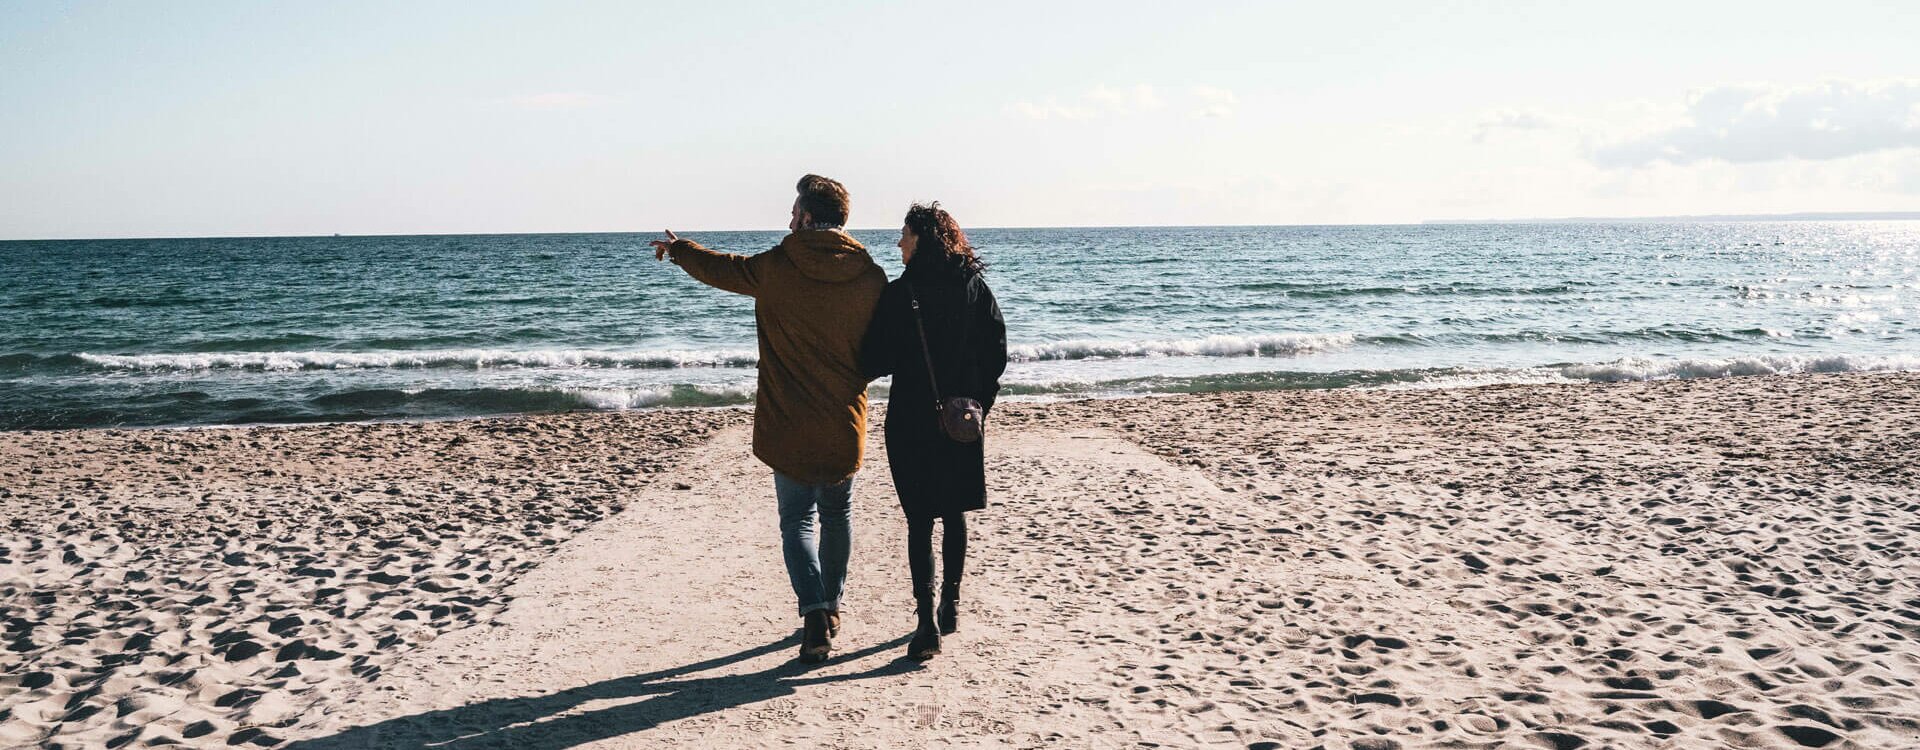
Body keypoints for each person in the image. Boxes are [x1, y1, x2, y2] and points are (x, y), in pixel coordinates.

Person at [650, 175, 887, 664]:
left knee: (797, 518)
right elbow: (885, 344)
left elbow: (723, 269)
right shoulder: (870, 276)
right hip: (845, 421)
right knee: (837, 515)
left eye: (793, 210)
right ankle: (832, 604)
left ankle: (815, 611)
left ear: (805, 217)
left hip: (787, 423)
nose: (788, 218)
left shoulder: (778, 267)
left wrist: (679, 250)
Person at [860, 202, 1007, 660]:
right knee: (954, 512)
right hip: (961, 420)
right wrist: (978, 403)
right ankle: (952, 604)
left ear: (922, 238)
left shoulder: (902, 294)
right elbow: (997, 353)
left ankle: (925, 624)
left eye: (904, 234)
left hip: (910, 419)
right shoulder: (972, 287)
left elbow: (875, 360)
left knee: (920, 520)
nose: (899, 241)